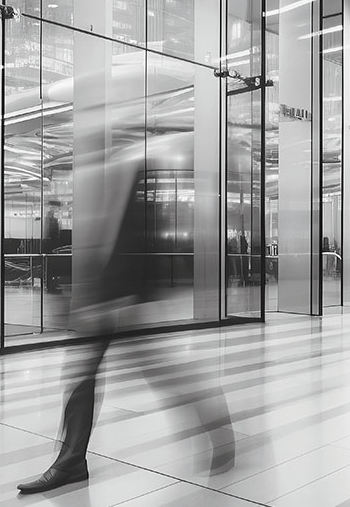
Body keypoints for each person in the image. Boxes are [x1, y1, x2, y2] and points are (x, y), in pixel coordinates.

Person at [17, 140, 235, 493]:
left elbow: (131, 244)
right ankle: (71, 461)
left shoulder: (130, 173)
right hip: (105, 298)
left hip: (122, 300)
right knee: (81, 377)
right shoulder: (113, 179)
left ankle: (217, 426)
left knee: (162, 372)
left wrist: (114, 299)